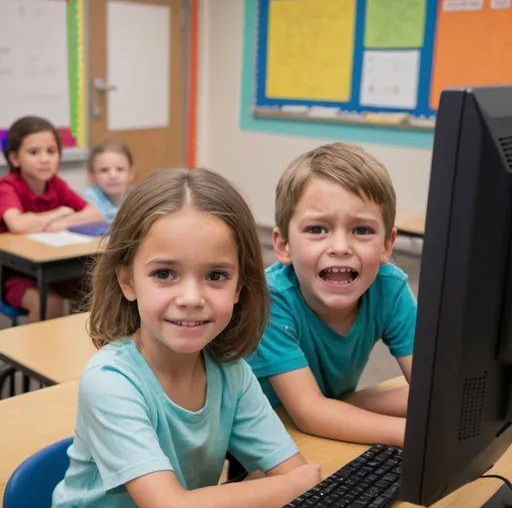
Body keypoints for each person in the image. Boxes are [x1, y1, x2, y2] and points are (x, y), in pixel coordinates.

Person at [52, 168, 321, 508]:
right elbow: (172, 506)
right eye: (164, 274)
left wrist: (289, 483)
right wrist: (291, 485)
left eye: (215, 275)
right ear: (127, 281)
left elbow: (288, 471)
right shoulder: (111, 382)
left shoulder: (231, 373)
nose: (191, 298)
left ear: (239, 287)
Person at [247, 142, 416, 448]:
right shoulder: (271, 302)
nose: (340, 247)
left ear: (386, 246)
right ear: (283, 245)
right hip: (266, 438)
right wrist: (413, 435)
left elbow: (430, 389)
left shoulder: (389, 288)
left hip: (327, 411)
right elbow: (309, 413)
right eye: (317, 229)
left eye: (362, 230)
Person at [0, 116, 103, 321]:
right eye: (34, 152)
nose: (45, 159)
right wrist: (59, 212)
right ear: (14, 159)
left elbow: (95, 214)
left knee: (95, 289)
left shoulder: (57, 185)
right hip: (13, 276)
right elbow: (17, 224)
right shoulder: (7, 186)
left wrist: (63, 222)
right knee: (49, 302)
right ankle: (38, 352)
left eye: (51, 151)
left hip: (54, 269)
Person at [83, 140, 134, 222]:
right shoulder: (89, 198)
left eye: (120, 169)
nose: (113, 175)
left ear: (130, 173)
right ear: (92, 176)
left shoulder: (132, 197)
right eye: (104, 170)